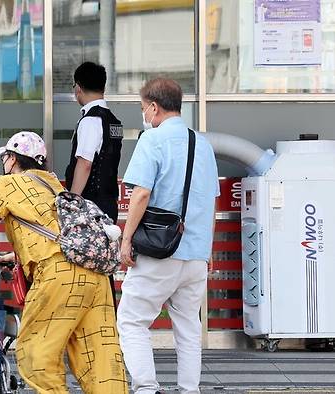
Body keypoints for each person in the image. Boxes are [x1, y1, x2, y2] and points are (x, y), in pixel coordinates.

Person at [0, 131, 128, 394]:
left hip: (58, 276)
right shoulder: (56, 187)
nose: (4, 163)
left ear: (12, 159)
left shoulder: (8, 184)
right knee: (99, 357)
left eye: (5, 158)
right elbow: (62, 236)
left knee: (35, 352)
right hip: (95, 276)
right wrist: (15, 256)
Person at [117, 78, 220, 394]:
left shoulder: (152, 140)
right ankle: (189, 390)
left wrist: (125, 240)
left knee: (132, 321)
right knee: (189, 327)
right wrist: (208, 249)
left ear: (153, 107)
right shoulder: (202, 144)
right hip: (195, 255)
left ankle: (147, 388)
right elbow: (210, 200)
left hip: (159, 253)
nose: (143, 113)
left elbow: (141, 194)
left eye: (142, 107)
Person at [65, 61, 123, 221]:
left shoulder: (91, 120)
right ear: (103, 88)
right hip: (109, 203)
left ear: (78, 87)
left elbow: (85, 164)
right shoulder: (112, 120)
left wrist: (73, 203)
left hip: (90, 206)